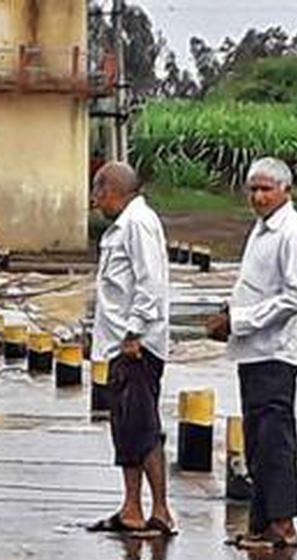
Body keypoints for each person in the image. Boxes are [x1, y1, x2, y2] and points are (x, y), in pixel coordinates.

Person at [206, 157, 297, 551]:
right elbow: (254, 285)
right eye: (252, 189)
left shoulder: (293, 233)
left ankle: (283, 527)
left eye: (266, 188)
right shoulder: (261, 231)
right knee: (257, 441)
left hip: (275, 353)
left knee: (274, 442)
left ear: (286, 191)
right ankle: (261, 524)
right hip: (253, 352)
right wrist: (228, 314)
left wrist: (241, 321)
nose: (258, 196)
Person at [84, 162, 175, 538]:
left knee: (143, 428)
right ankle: (131, 508)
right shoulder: (123, 226)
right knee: (125, 428)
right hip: (119, 344)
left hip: (136, 345)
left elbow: (149, 283)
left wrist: (134, 332)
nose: (93, 201)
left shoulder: (138, 224)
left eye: (96, 192)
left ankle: (161, 511)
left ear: (111, 191)